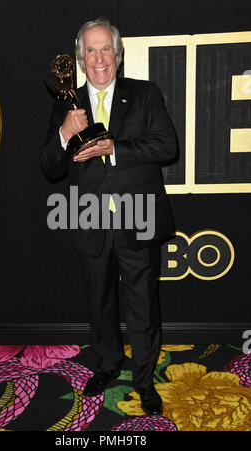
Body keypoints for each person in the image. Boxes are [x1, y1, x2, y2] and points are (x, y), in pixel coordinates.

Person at [41, 18, 177, 416]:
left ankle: (144, 379)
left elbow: (167, 146)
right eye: (90, 50)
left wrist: (113, 148)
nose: (99, 58)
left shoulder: (145, 94)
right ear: (80, 58)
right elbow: (50, 167)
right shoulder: (66, 103)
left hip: (137, 217)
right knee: (99, 302)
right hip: (89, 218)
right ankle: (107, 363)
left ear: (117, 54)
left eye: (106, 49)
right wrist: (65, 134)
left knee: (142, 305)